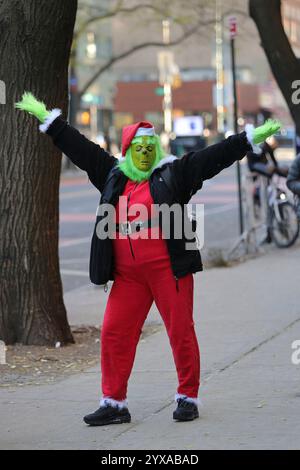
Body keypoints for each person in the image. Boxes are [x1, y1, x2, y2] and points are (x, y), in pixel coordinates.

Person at [15, 93, 280, 426]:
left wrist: (245, 140)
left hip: (169, 271)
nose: (144, 153)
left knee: (180, 331)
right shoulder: (112, 174)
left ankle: (187, 396)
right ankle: (114, 403)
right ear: (127, 152)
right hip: (128, 278)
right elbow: (81, 149)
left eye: (149, 148)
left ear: (155, 149)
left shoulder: (173, 174)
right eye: (138, 148)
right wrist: (51, 122)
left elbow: (212, 157)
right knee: (114, 332)